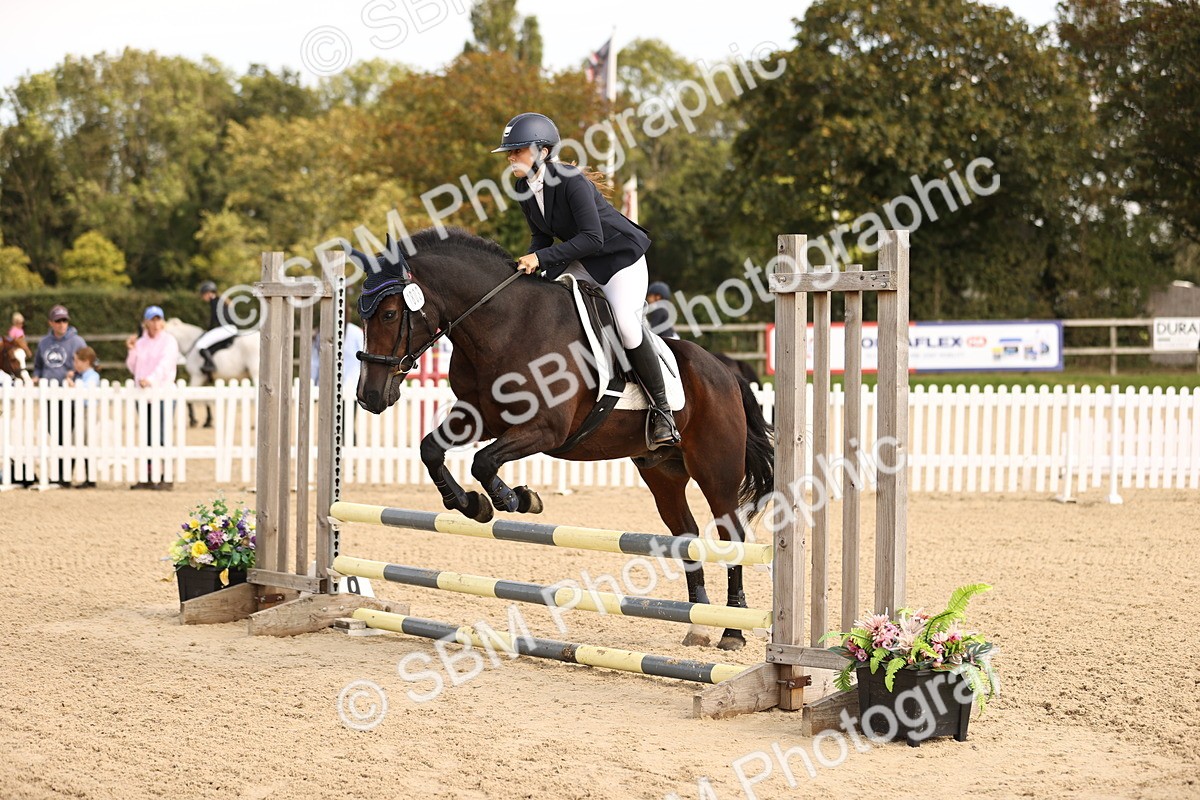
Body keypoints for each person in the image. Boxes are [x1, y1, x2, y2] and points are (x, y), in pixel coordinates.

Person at [494, 112, 680, 446]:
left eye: (518, 150)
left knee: (625, 324)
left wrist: (542, 259)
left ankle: (662, 411)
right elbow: (541, 238)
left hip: (620, 260)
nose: (511, 156)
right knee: (542, 301)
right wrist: (529, 268)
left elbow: (593, 238)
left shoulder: (570, 181)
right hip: (580, 259)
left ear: (543, 152)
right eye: (510, 151)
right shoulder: (524, 187)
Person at [125, 305, 181, 490]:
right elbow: (133, 367)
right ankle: (149, 475)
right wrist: (132, 350)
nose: (156, 323)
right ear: (146, 322)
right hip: (144, 395)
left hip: (162, 394)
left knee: (162, 435)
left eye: (158, 319)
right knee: (148, 436)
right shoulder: (140, 342)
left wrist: (150, 380)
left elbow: (165, 365)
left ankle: (166, 476)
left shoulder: (169, 341)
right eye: (152, 319)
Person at [33, 304, 88, 486]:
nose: (62, 324)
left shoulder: (77, 341)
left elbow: (89, 362)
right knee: (53, 433)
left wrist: (76, 374)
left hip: (69, 396)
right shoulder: (44, 343)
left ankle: (64, 475)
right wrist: (36, 376)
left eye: (64, 320)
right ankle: (58, 473)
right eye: (58, 321)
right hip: (49, 395)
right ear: (51, 323)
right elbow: (39, 365)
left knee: (66, 435)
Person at [67, 346, 101, 488]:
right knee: (76, 443)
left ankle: (89, 478)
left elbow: (86, 395)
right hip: (81, 413)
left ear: (86, 361)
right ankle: (68, 475)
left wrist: (73, 386)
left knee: (86, 443)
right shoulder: (81, 375)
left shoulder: (92, 376)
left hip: (87, 412)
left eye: (76, 361)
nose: (75, 365)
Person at [195, 280, 236, 377]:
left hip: (226, 328)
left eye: (203, 295)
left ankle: (211, 366)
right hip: (231, 328)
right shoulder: (221, 300)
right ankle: (208, 364)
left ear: (208, 293)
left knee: (200, 345)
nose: (203, 297)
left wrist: (208, 330)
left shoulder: (214, 301)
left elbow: (213, 318)